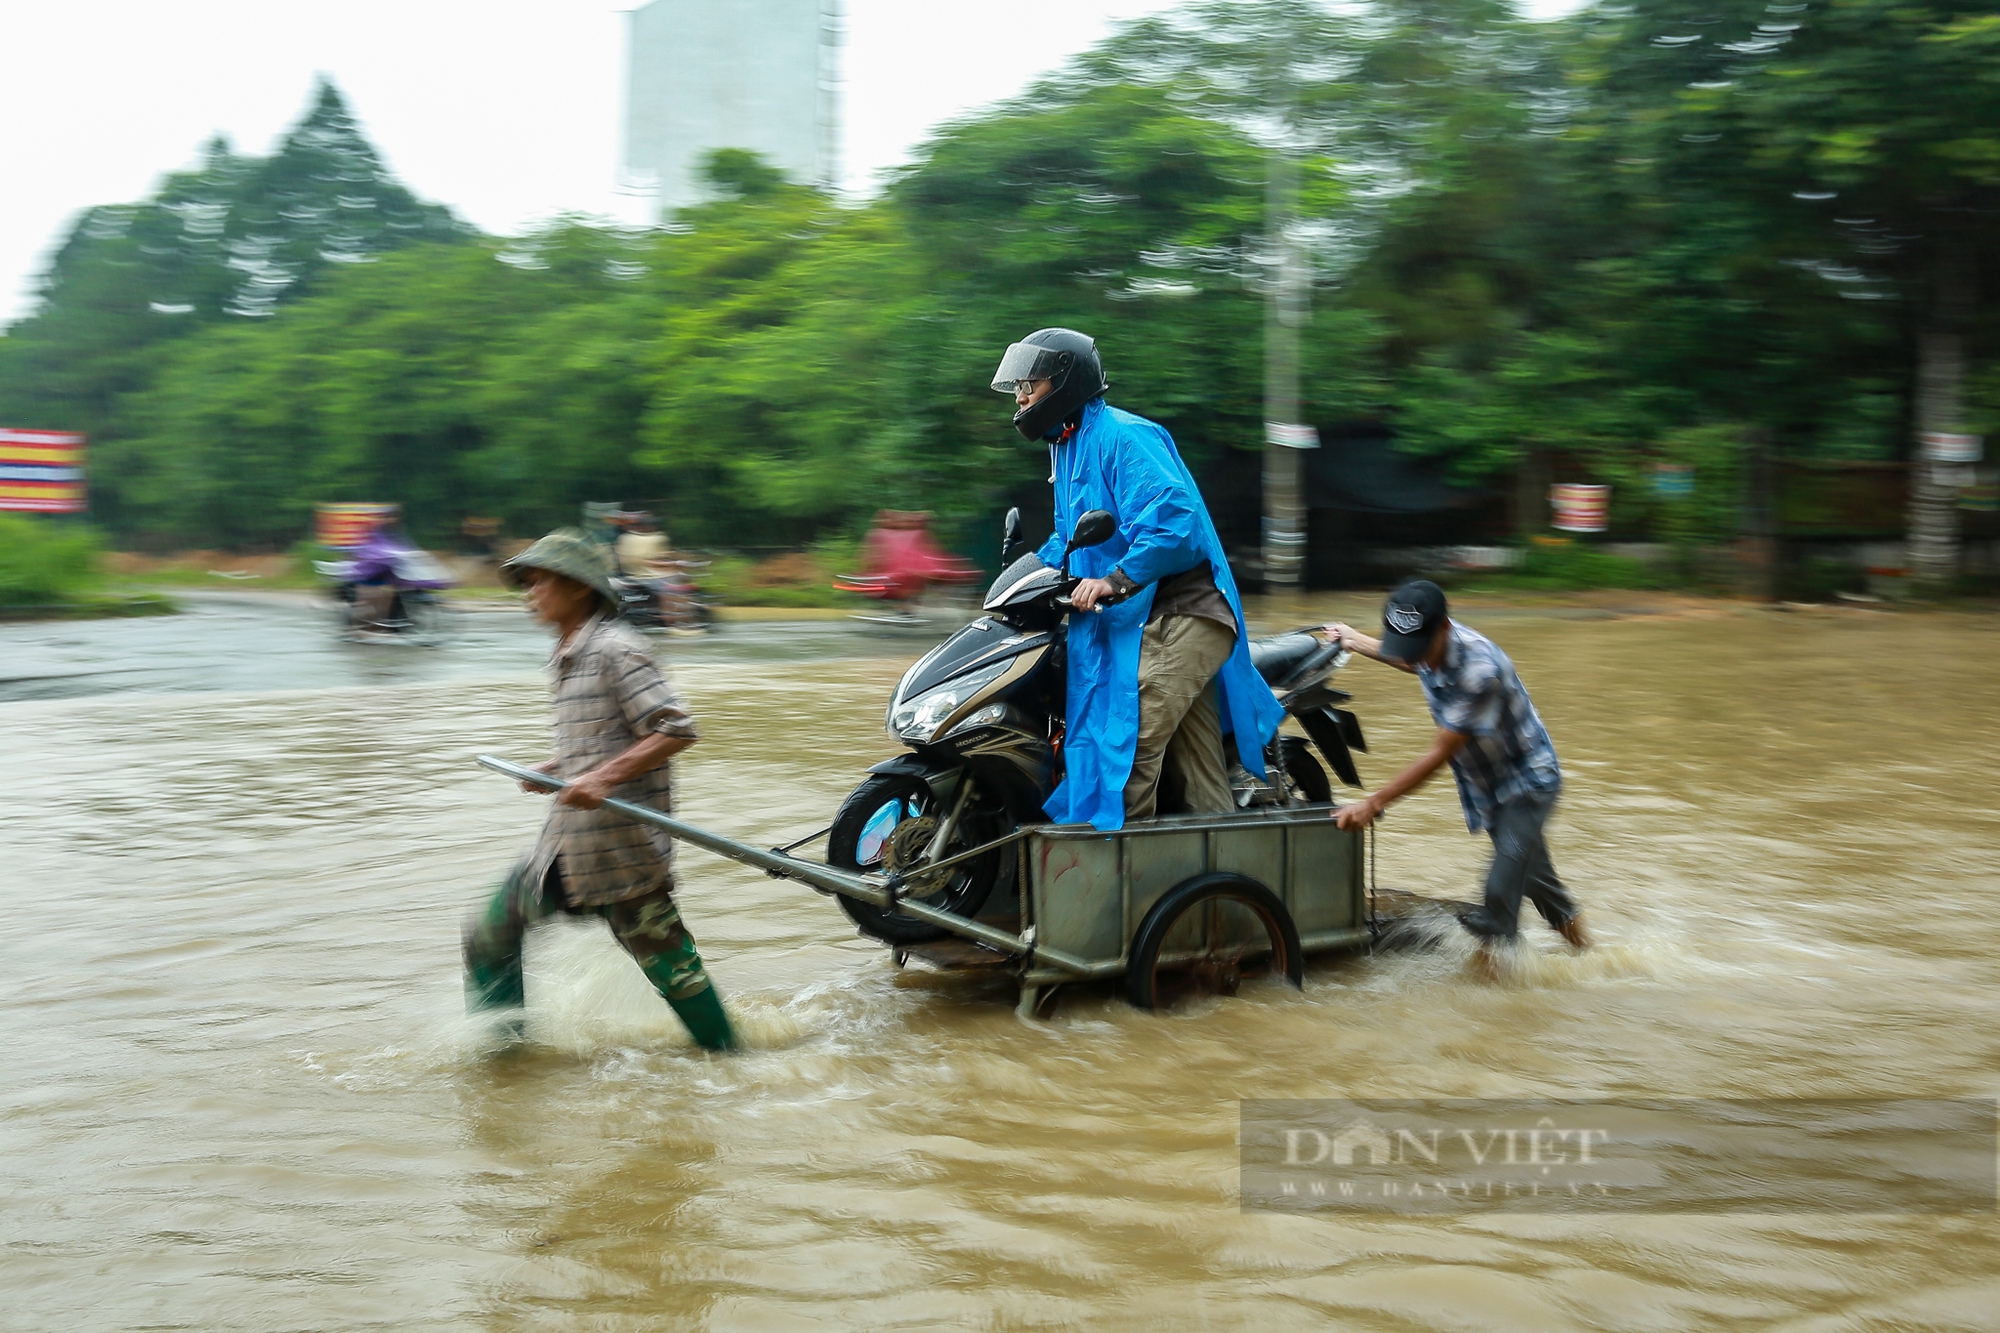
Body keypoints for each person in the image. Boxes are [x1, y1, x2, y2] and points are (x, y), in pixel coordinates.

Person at [990, 327, 1283, 829]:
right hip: (1139, 619)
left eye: (1029, 385)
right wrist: (1024, 581)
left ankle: (1122, 891)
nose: (1020, 397)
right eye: (1018, 387)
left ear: (1063, 384)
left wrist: (1113, 580)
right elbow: (1068, 537)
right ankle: (1222, 880)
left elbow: (1175, 526)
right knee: (1198, 774)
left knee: (1124, 749)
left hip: (1183, 611)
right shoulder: (1067, 447)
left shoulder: (1123, 436)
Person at [461, 529, 737, 1049]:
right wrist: (559, 767)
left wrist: (603, 777)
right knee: (489, 933)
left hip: (620, 851)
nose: (529, 592)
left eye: (538, 580)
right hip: (567, 846)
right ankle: (506, 1060)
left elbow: (675, 728)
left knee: (674, 971)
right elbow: (603, 737)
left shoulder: (617, 650)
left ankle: (735, 1066)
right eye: (527, 582)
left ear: (578, 588)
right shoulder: (568, 654)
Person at [1326, 579, 1590, 968]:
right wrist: (1353, 639)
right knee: (1539, 884)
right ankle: (1593, 961)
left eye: (1420, 648)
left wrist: (1373, 803)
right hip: (1490, 782)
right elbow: (1406, 657)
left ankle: (1493, 996)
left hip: (1528, 781)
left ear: (1445, 628)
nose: (1416, 659)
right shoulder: (1427, 646)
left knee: (1499, 894)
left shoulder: (1480, 672)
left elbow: (1438, 754)